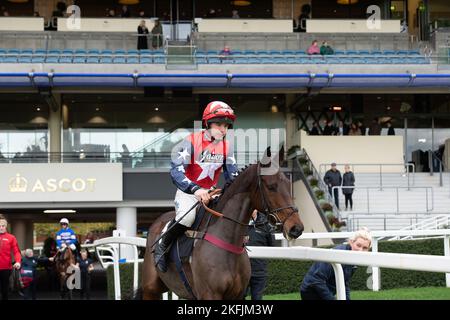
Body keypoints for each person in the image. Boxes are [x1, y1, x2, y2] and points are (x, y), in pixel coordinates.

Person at [154, 101, 239, 273]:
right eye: (218, 124)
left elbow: (233, 178)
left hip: (211, 193)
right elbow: (176, 171)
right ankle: (162, 246)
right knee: (187, 219)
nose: (223, 129)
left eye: (226, 125)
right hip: (189, 192)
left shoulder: (227, 147)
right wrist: (196, 190)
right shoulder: (191, 141)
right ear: (207, 124)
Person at [300, 227, 372, 300]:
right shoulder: (339, 254)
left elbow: (344, 283)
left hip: (323, 289)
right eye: (358, 245)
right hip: (310, 291)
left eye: (365, 248)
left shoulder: (353, 258)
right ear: (351, 242)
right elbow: (317, 279)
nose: (360, 251)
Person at [245, 210, 275, 300]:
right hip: (242, 270)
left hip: (259, 271)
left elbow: (272, 246)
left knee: (257, 298)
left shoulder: (267, 225)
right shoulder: (239, 222)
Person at [0, 214, 21, 300]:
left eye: (3, 226)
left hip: (6, 268)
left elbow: (16, 252)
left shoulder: (11, 238)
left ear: (6, 227)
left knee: (4, 290)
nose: (1, 227)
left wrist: (18, 262)